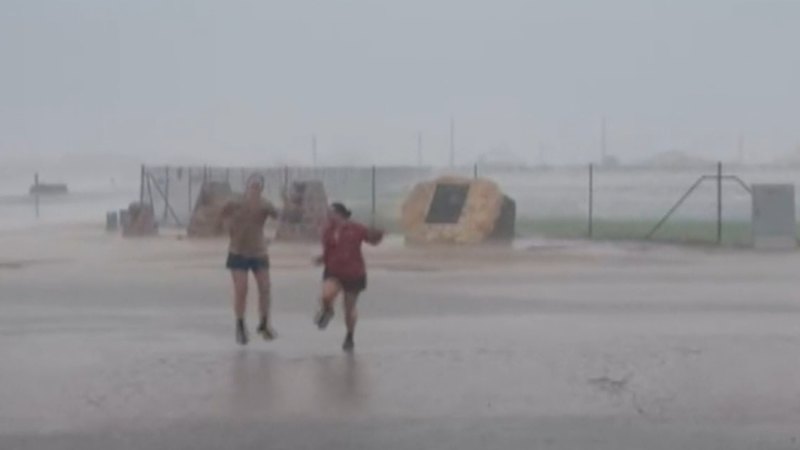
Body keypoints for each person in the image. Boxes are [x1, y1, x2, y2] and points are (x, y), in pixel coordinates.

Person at [314, 202, 384, 351]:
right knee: (326, 296)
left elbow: (371, 240)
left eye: (330, 213)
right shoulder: (327, 230)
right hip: (333, 270)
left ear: (340, 214)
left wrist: (378, 235)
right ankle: (328, 311)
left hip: (354, 273)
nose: (327, 216)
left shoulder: (356, 228)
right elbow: (328, 249)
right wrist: (321, 258)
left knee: (349, 308)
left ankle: (349, 336)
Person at [221, 174, 279, 345]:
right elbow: (222, 212)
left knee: (265, 287)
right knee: (241, 289)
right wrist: (228, 227)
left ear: (261, 189)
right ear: (246, 187)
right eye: (251, 185)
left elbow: (279, 217)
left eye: (257, 186)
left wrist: (272, 236)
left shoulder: (265, 204)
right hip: (237, 251)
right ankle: (240, 325)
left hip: (259, 252)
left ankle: (264, 322)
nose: (254, 188)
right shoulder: (235, 202)